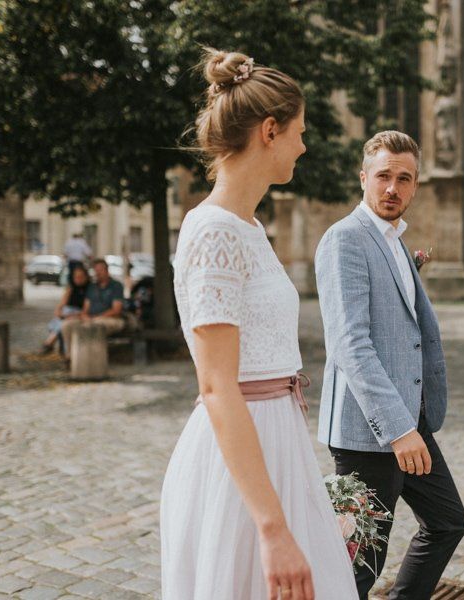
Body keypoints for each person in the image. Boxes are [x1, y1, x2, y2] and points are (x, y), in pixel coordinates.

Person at [159, 49, 357, 600]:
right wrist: (272, 528)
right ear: (270, 131)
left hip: (279, 442)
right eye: (299, 132)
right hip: (237, 467)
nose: (304, 145)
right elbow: (217, 385)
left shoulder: (248, 228)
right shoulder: (215, 232)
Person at [315, 131, 464, 599]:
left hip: (412, 419)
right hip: (370, 431)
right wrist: (399, 429)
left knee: (446, 522)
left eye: (404, 179)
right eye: (383, 176)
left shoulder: (395, 241)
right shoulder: (345, 239)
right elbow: (351, 345)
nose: (392, 188)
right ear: (364, 178)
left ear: (416, 185)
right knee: (360, 562)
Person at [59, 258, 125, 358]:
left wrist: (95, 317)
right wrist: (84, 316)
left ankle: (93, 358)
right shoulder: (92, 287)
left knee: (95, 325)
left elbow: (116, 310)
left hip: (111, 319)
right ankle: (71, 357)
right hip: (91, 318)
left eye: (100, 270)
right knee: (67, 325)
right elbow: (86, 308)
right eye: (96, 270)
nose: (98, 273)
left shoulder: (116, 286)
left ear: (107, 270)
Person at [40, 264, 89, 354]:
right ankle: (54, 345)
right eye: (76, 277)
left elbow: (85, 310)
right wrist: (58, 311)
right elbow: (62, 302)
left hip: (77, 313)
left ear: (86, 277)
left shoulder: (89, 289)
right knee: (61, 320)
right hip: (66, 311)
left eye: (80, 277)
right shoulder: (71, 287)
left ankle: (49, 342)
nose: (78, 279)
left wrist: (69, 315)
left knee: (62, 322)